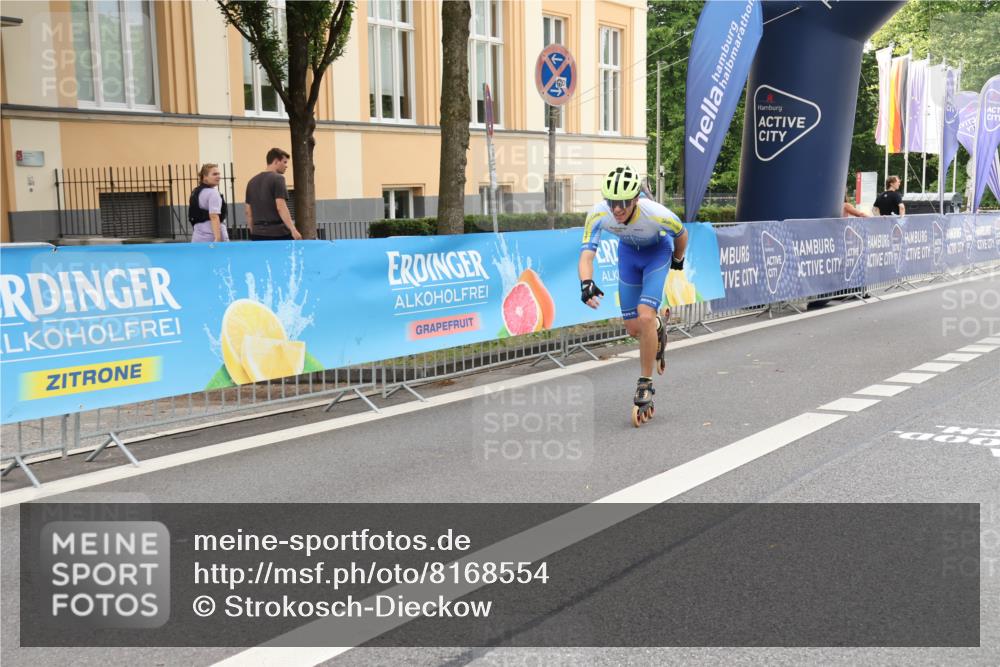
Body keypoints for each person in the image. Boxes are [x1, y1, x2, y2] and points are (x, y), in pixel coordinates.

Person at [579, 165, 688, 426]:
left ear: (636, 199)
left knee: (645, 314)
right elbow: (586, 255)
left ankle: (645, 383)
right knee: (633, 328)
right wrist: (586, 283)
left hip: (656, 255)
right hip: (628, 257)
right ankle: (658, 327)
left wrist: (677, 259)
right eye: (612, 202)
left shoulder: (655, 213)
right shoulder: (598, 214)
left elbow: (682, 234)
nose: (617, 209)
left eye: (624, 203)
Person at [245, 147, 302, 241]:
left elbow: (248, 212)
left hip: (257, 234)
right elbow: (281, 207)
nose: (286, 166)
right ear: (276, 161)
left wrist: (253, 231)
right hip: (278, 233)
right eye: (284, 162)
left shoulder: (251, 182)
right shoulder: (278, 179)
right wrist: (293, 229)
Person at [189, 163, 229, 243]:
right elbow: (214, 216)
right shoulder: (213, 193)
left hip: (198, 238)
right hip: (211, 238)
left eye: (218, 174)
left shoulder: (195, 192)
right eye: (214, 174)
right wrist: (218, 239)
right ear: (205, 177)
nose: (218, 176)